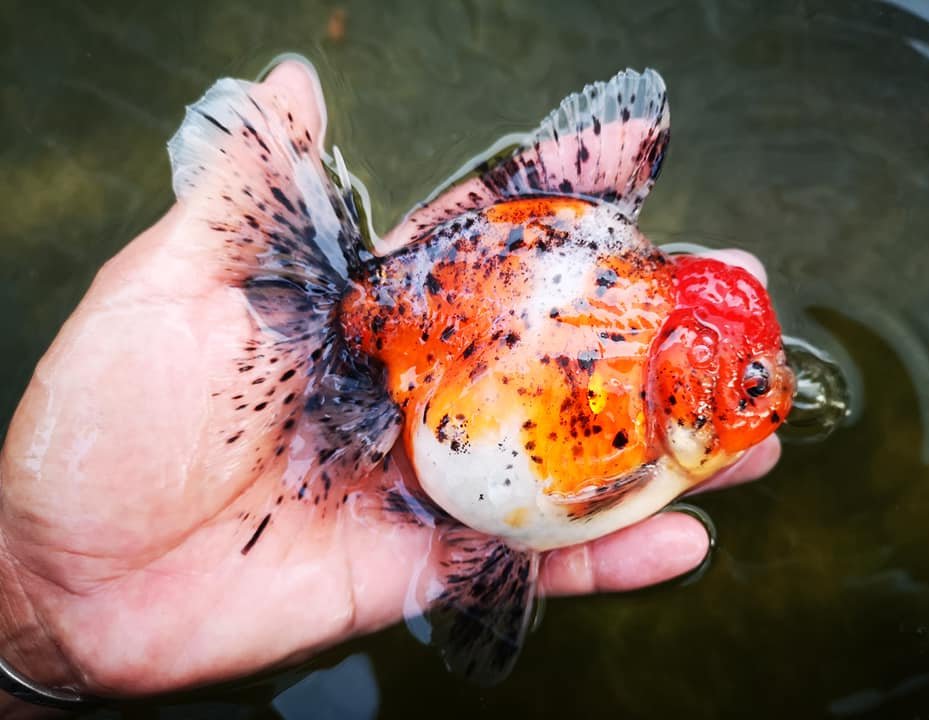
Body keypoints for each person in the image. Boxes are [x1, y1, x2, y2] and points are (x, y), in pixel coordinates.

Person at [0, 62, 781, 715]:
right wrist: (34, 602)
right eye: (749, 383)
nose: (771, 396)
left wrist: (40, 632)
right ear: (687, 373)